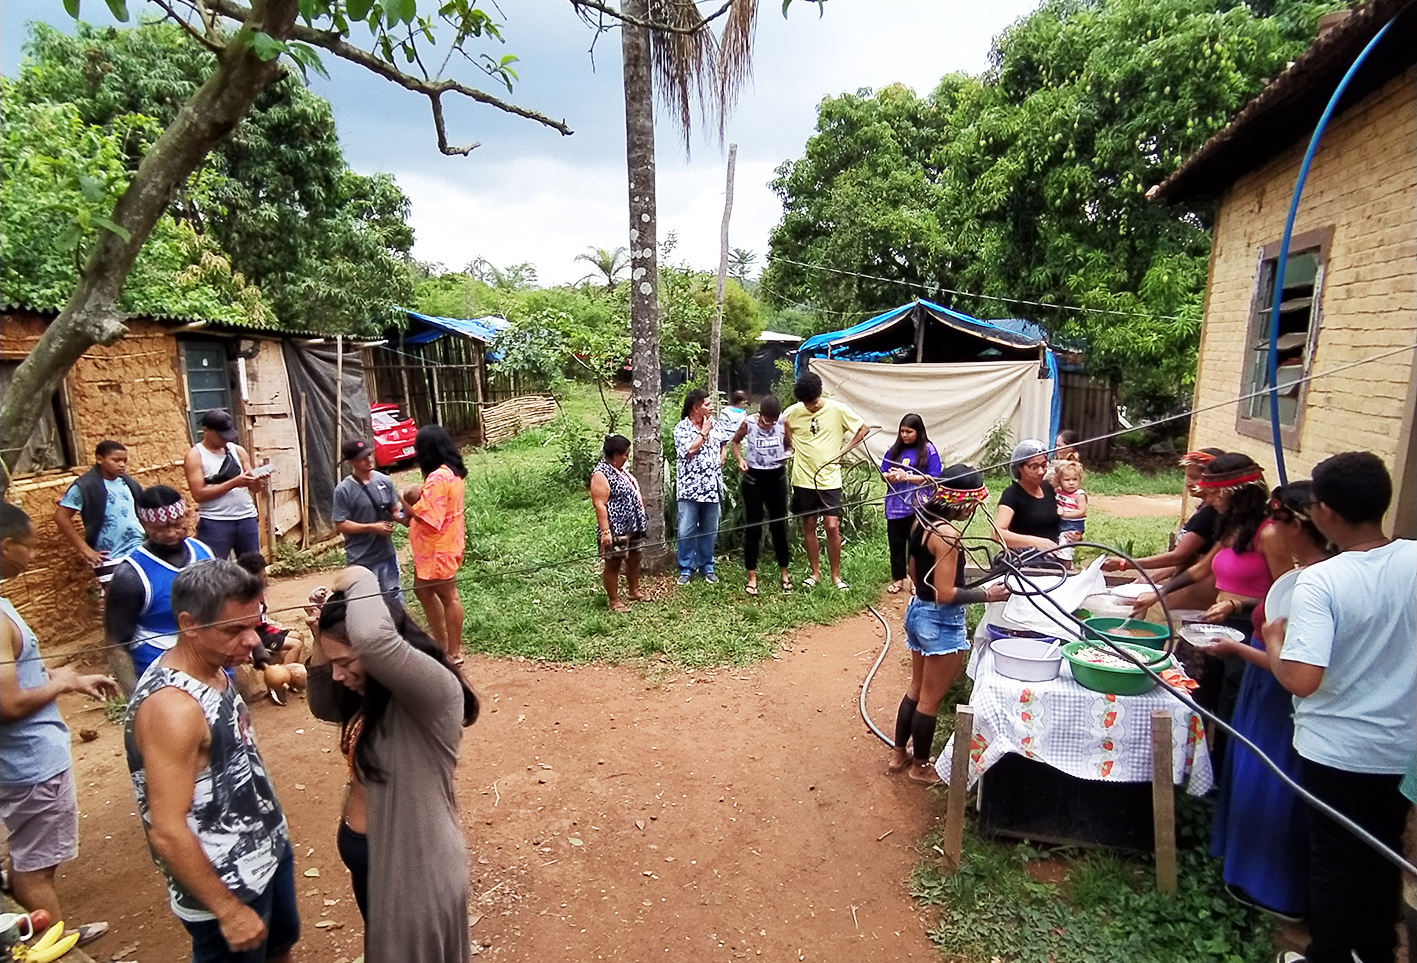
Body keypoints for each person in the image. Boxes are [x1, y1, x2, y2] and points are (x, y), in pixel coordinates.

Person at [1263, 452, 1416, 963]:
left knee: (1333, 859)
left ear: (1324, 511)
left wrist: (1272, 641)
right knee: (1381, 853)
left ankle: (1327, 954)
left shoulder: (1322, 581)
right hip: (1402, 748)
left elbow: (1302, 680)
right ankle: (1375, 952)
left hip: (1337, 749)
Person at [124, 560, 298, 963]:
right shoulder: (173, 709)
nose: (251, 640)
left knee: (278, 948)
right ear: (188, 624)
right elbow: (166, 829)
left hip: (264, 850)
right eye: (234, 630)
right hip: (227, 879)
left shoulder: (216, 670)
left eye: (253, 624)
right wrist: (228, 910)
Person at [307, 566, 480, 963]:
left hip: (417, 874)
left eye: (347, 661)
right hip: (378, 867)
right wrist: (324, 633)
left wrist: (357, 579)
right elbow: (322, 702)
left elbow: (371, 637)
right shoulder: (373, 693)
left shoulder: (433, 695)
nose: (338, 673)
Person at [1208, 482, 1332, 922]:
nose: (1272, 531)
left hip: (1279, 696)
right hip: (1261, 691)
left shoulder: (1319, 585)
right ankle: (1241, 870)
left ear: (1300, 525)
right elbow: (1270, 604)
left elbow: (1297, 671)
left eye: (1279, 523)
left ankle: (1272, 888)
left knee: (1271, 782)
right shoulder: (1303, 575)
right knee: (1248, 773)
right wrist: (1239, 604)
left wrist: (1241, 648)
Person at [0, 503, 116, 950]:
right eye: (27, 547)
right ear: (6, 546)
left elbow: (14, 679)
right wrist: (62, 681)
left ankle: (49, 935)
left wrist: (68, 681)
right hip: (30, 761)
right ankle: (53, 947)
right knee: (35, 866)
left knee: (29, 856)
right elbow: (8, 702)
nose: (31, 556)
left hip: (19, 759)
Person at [887, 465, 1009, 784]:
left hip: (917, 612)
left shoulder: (920, 520)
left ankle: (899, 754)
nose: (973, 510)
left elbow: (915, 573)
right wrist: (988, 594)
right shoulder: (949, 536)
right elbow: (945, 593)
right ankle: (921, 766)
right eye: (973, 503)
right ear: (963, 502)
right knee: (930, 698)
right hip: (940, 620)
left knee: (916, 688)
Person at [106, 486, 216, 694]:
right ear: (144, 525)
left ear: (186, 516)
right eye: (161, 528)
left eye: (176, 524)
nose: (171, 533)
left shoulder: (205, 554)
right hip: (163, 676)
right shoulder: (131, 576)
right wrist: (136, 697)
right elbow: (116, 645)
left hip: (214, 667)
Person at [1103, 448, 1226, 612]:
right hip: (1187, 581)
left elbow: (1179, 557)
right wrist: (1155, 576)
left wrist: (1125, 563)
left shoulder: (1211, 514)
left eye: (1195, 478)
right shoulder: (1205, 508)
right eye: (1187, 476)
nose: (1188, 482)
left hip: (1198, 588)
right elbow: (1188, 558)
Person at [781, 372, 868, 590]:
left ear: (820, 395)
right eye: (806, 403)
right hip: (803, 478)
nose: (810, 406)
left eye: (813, 402)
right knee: (808, 524)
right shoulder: (791, 413)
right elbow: (783, 432)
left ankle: (836, 576)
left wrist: (842, 452)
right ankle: (815, 573)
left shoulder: (838, 409)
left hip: (830, 480)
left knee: (832, 525)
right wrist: (789, 448)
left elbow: (862, 429)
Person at [401, 425, 467, 663]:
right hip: (437, 546)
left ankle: (453, 651)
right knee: (423, 591)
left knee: (448, 595)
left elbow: (429, 515)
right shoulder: (452, 472)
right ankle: (441, 645)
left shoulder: (439, 476)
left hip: (438, 547)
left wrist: (399, 499)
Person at [53, 439, 145, 589]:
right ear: (99, 459)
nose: (122, 464)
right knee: (120, 601)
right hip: (110, 556)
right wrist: (86, 550)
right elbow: (61, 517)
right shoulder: (85, 486)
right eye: (116, 460)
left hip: (138, 550)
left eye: (124, 461)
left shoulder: (127, 482)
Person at [731, 394, 793, 596]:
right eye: (766, 421)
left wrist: (787, 455)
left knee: (779, 526)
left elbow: (789, 445)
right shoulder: (748, 423)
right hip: (754, 479)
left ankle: (784, 573)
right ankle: (751, 576)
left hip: (776, 477)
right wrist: (740, 459)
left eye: (772, 421)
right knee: (754, 527)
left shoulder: (783, 423)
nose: (769, 425)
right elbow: (735, 442)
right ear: (760, 415)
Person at [184, 408, 266, 561]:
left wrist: (258, 480)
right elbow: (199, 494)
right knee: (213, 568)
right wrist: (234, 483)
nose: (225, 440)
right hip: (216, 521)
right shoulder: (195, 456)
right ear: (206, 431)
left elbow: (254, 489)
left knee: (251, 568)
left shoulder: (238, 451)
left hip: (246, 517)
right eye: (221, 436)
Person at [332, 439, 406, 605]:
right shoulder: (343, 490)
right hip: (361, 557)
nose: (369, 459)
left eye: (369, 454)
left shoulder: (383, 480)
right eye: (362, 458)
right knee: (367, 602)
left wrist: (406, 517)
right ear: (351, 462)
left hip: (386, 553)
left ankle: (398, 629)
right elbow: (340, 523)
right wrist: (372, 527)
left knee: (394, 597)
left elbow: (394, 509)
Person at [880, 413, 941, 595]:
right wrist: (889, 477)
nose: (905, 435)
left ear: (918, 431)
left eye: (909, 431)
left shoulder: (929, 450)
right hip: (895, 504)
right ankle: (898, 579)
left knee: (916, 544)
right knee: (896, 543)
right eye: (902, 431)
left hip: (918, 505)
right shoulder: (894, 450)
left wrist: (907, 477)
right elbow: (883, 471)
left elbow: (934, 478)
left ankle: (916, 580)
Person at [590, 435, 649, 612]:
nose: (627, 458)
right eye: (625, 454)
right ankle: (614, 601)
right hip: (616, 527)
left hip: (632, 524)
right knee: (614, 563)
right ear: (615, 455)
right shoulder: (601, 474)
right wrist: (605, 531)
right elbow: (599, 504)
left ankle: (633, 591)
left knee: (635, 557)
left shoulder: (620, 469)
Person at [234, 553, 302, 706]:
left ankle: (286, 677)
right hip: (258, 635)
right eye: (262, 575)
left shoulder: (257, 590)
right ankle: (277, 682)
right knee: (295, 645)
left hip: (265, 629)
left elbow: (263, 617)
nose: (265, 577)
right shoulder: (243, 596)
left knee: (298, 635)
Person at [673, 388, 724, 585]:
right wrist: (704, 432)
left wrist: (722, 457)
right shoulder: (681, 429)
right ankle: (686, 569)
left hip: (712, 487)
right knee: (686, 530)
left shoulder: (715, 425)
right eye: (707, 404)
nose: (711, 407)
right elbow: (689, 451)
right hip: (690, 489)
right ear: (696, 407)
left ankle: (707, 567)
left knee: (710, 529)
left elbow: (722, 444)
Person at [994, 440, 1065, 554]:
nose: (1041, 471)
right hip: (1025, 559)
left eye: (1043, 465)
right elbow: (996, 533)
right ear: (1019, 468)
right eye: (1034, 467)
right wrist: (1035, 542)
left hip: (1053, 556)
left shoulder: (1049, 488)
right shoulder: (1012, 494)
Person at [1054, 461, 1088, 566]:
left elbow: (1082, 511)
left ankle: (1067, 565)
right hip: (1060, 522)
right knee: (1057, 542)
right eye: (1067, 480)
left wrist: (1064, 514)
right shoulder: (1058, 491)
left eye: (1075, 479)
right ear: (1059, 481)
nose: (1071, 483)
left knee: (1066, 544)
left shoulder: (1079, 495)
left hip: (1072, 524)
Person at [714, 389, 751, 459]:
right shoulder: (742, 415)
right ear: (741, 402)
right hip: (738, 444)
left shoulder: (724, 411)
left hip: (724, 443)